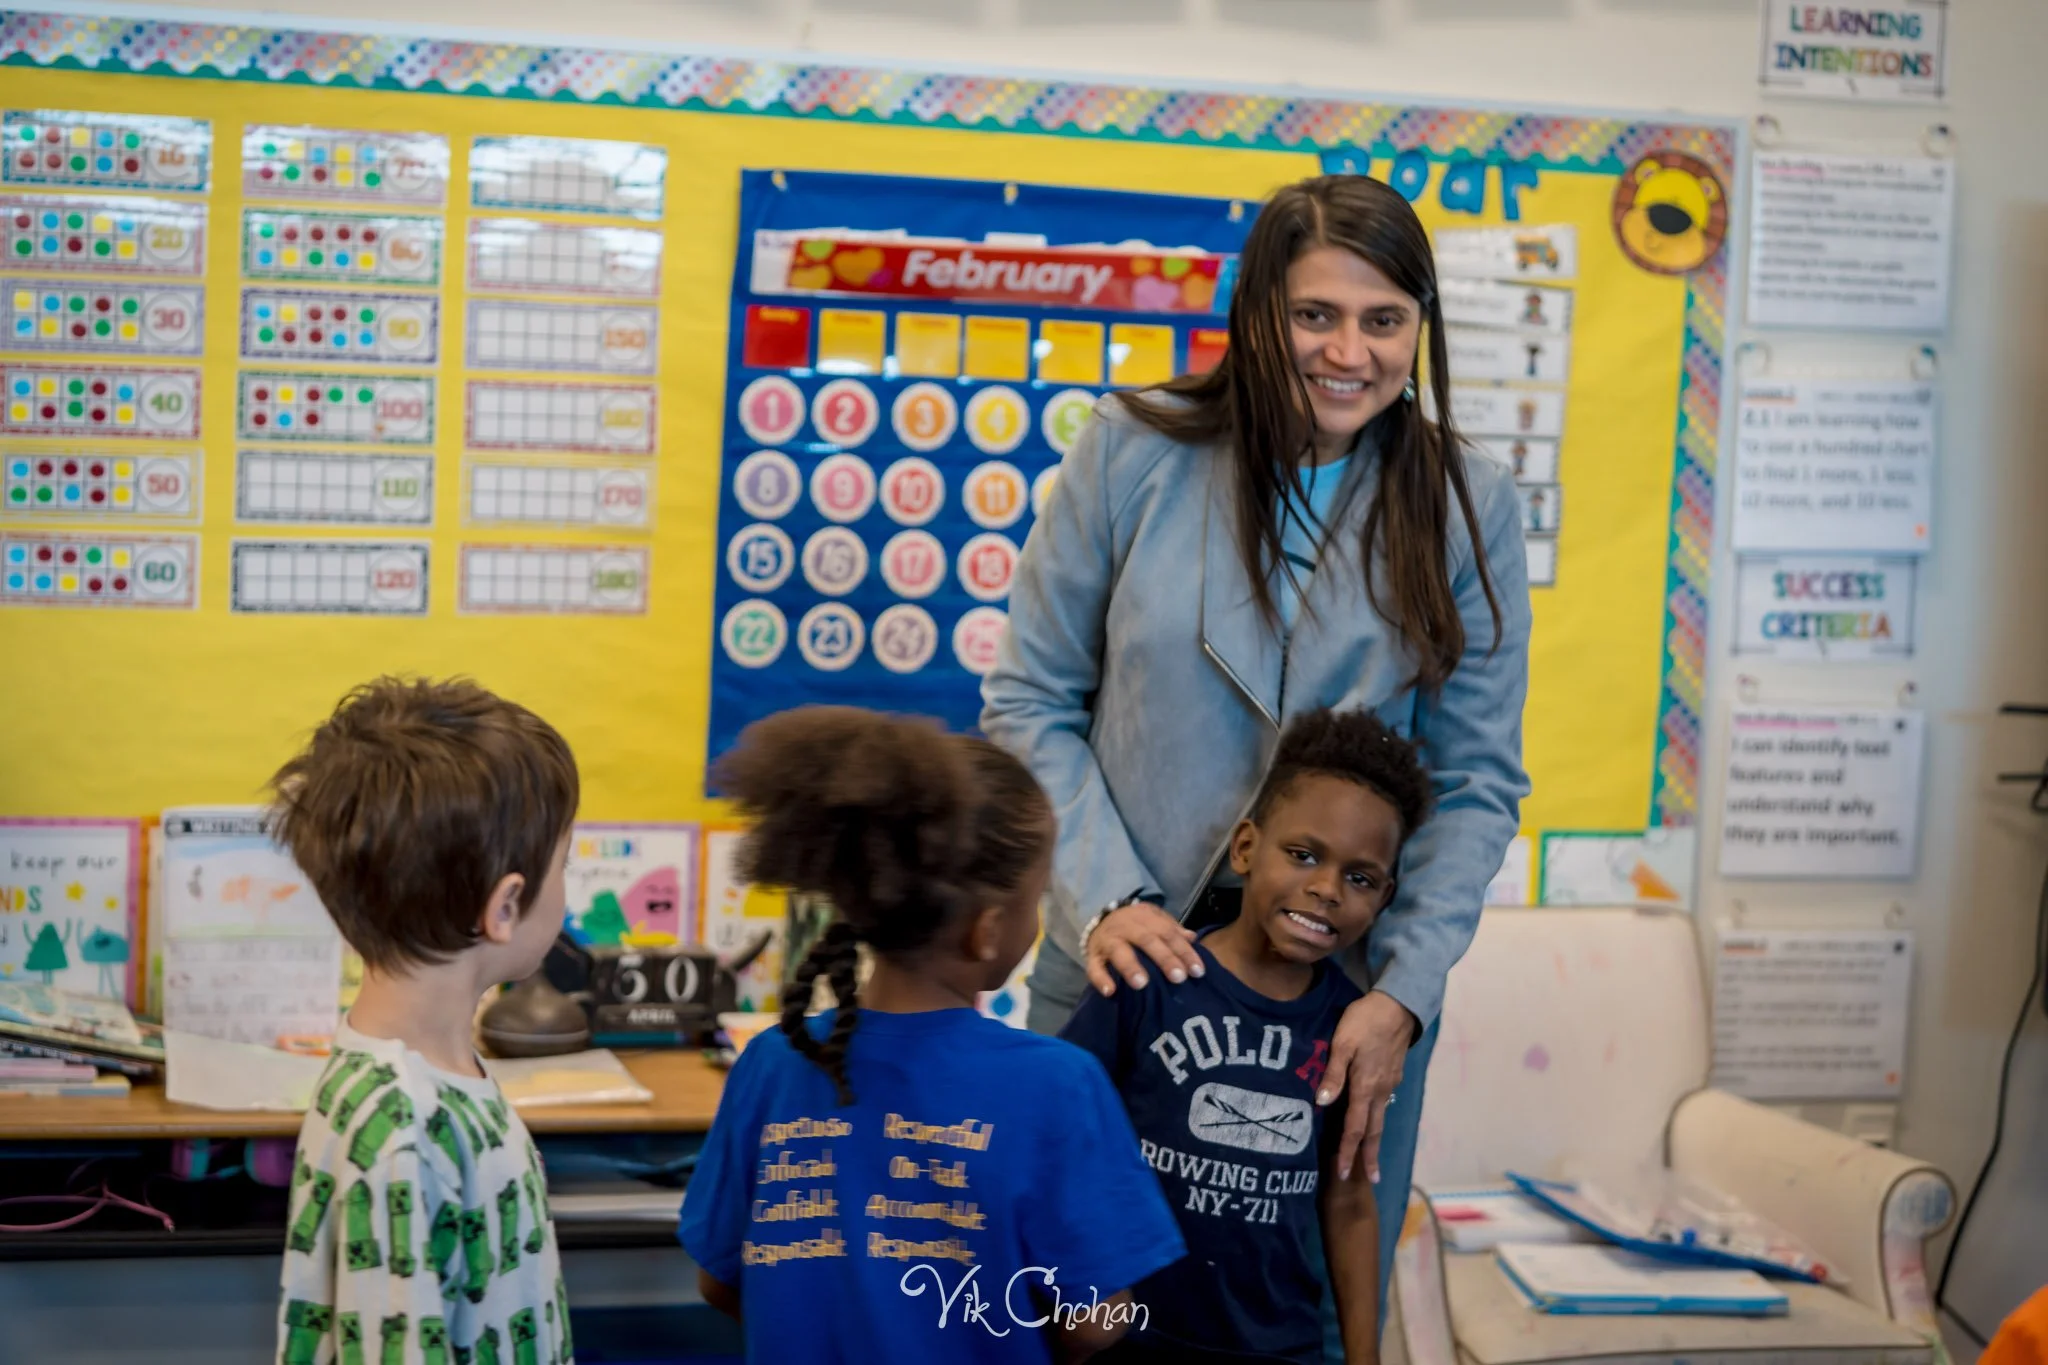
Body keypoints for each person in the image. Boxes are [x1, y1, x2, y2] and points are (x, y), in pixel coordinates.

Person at [981, 173, 1532, 1324]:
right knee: (1066, 1318)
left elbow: (1476, 781)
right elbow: (1029, 697)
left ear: (1417, 328)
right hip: (1117, 972)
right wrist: (1106, 900)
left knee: (1304, 1333)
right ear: (1256, 315)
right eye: (1314, 315)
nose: (1349, 351)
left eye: (1382, 320)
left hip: (1336, 1012)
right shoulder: (1131, 450)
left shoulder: (1466, 501)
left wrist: (1402, 993)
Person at [677, 706, 1186, 1364]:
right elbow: (1095, 1322)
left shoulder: (772, 1062)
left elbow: (718, 1279)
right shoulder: (1057, 1083)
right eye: (1038, 898)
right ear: (986, 929)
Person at [1063, 708, 1430, 1365]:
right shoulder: (1150, 979)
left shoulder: (1351, 1028)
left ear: (1385, 897)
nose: (1325, 889)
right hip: (1127, 1339)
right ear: (1245, 849)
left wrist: (1365, 1357)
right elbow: (1060, 1135)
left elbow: (1348, 1204)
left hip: (1275, 1345)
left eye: (1360, 877)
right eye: (1304, 854)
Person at [267, 677, 581, 1365]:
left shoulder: (435, 1068)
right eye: (567, 862)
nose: (570, 884)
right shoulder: (402, 1126)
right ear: (505, 907)